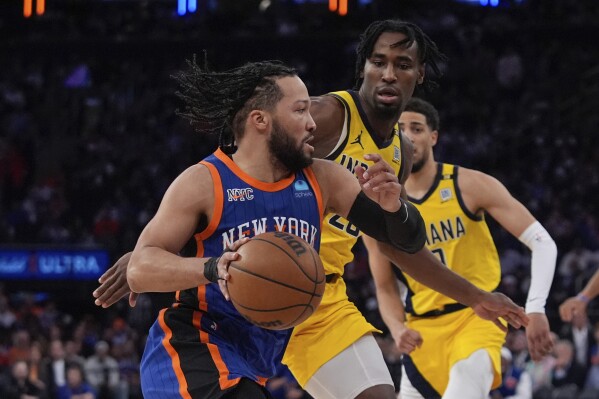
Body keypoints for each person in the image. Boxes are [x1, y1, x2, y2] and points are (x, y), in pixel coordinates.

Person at [93, 22, 529, 399]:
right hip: (231, 303)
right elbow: (244, 158)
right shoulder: (326, 118)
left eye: (403, 64)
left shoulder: (388, 156)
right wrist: (155, 255)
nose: (389, 73)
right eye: (379, 61)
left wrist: (472, 295)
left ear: (421, 75)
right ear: (363, 68)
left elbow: (400, 244)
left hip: (311, 296)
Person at [367, 97, 557, 399]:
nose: (406, 135)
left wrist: (536, 307)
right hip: (422, 335)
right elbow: (385, 286)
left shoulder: (468, 184)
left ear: (433, 137)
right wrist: (396, 328)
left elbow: (543, 241)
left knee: (464, 387)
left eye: (416, 128)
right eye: (399, 128)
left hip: (477, 319)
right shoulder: (379, 205)